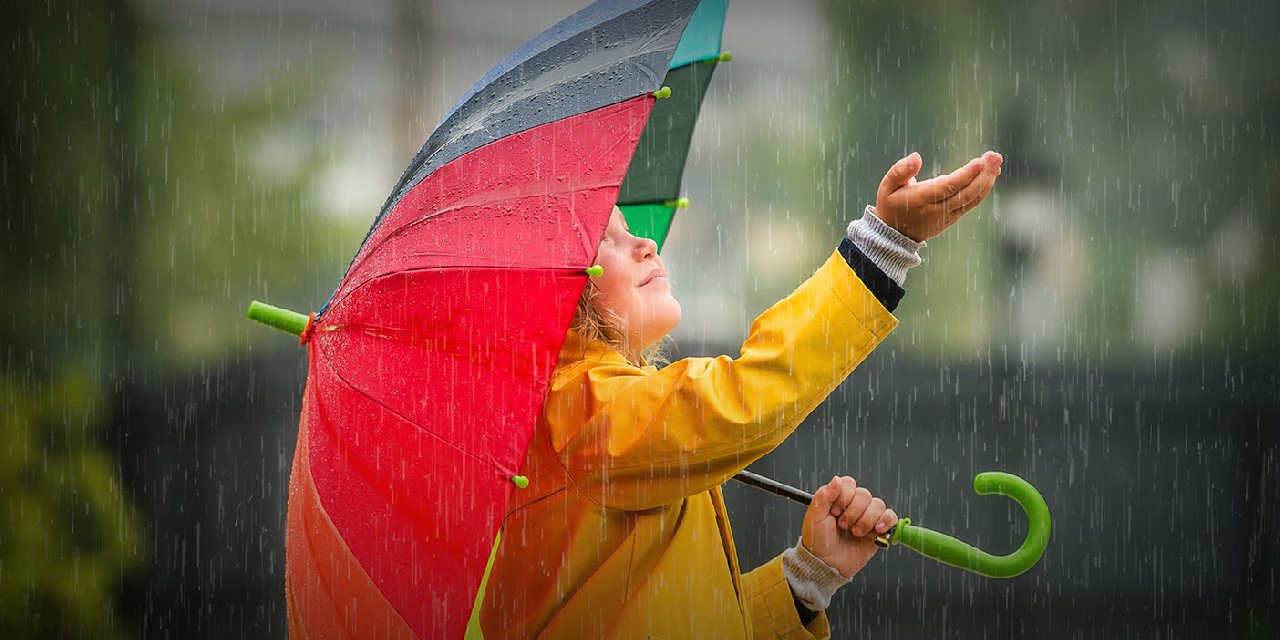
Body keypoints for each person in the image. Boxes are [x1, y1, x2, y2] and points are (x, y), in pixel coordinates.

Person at [479, 150, 1004, 638]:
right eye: (606, 242)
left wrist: (805, 580)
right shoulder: (581, 410)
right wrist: (882, 246)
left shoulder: (598, 414)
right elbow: (745, 398)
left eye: (630, 231)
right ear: (554, 294)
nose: (646, 244)